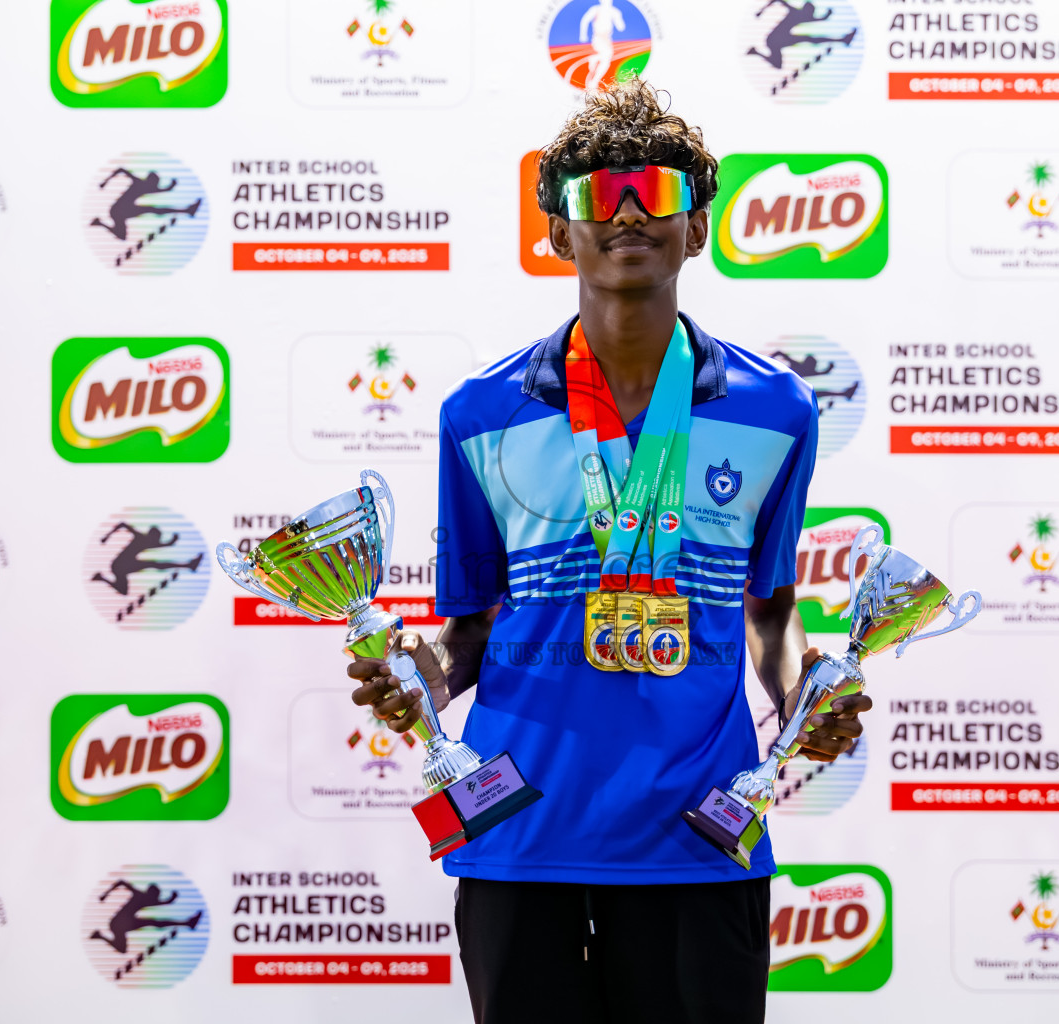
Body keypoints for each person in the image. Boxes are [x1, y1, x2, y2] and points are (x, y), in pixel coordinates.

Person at [347, 79, 870, 1023]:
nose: (629, 212)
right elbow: (466, 633)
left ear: (697, 226)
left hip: (698, 833)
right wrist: (419, 677)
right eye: (598, 195)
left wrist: (806, 699)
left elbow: (771, 614)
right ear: (559, 233)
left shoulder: (777, 408)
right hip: (518, 830)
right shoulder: (478, 414)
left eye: (657, 191)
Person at [579, 0, 625, 91]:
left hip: (607, 39)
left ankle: (595, 61)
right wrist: (583, 34)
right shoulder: (596, 9)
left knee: (606, 60)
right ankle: (594, 82)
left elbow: (621, 27)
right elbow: (585, 20)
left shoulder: (614, 11)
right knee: (606, 58)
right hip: (598, 38)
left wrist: (617, 17)